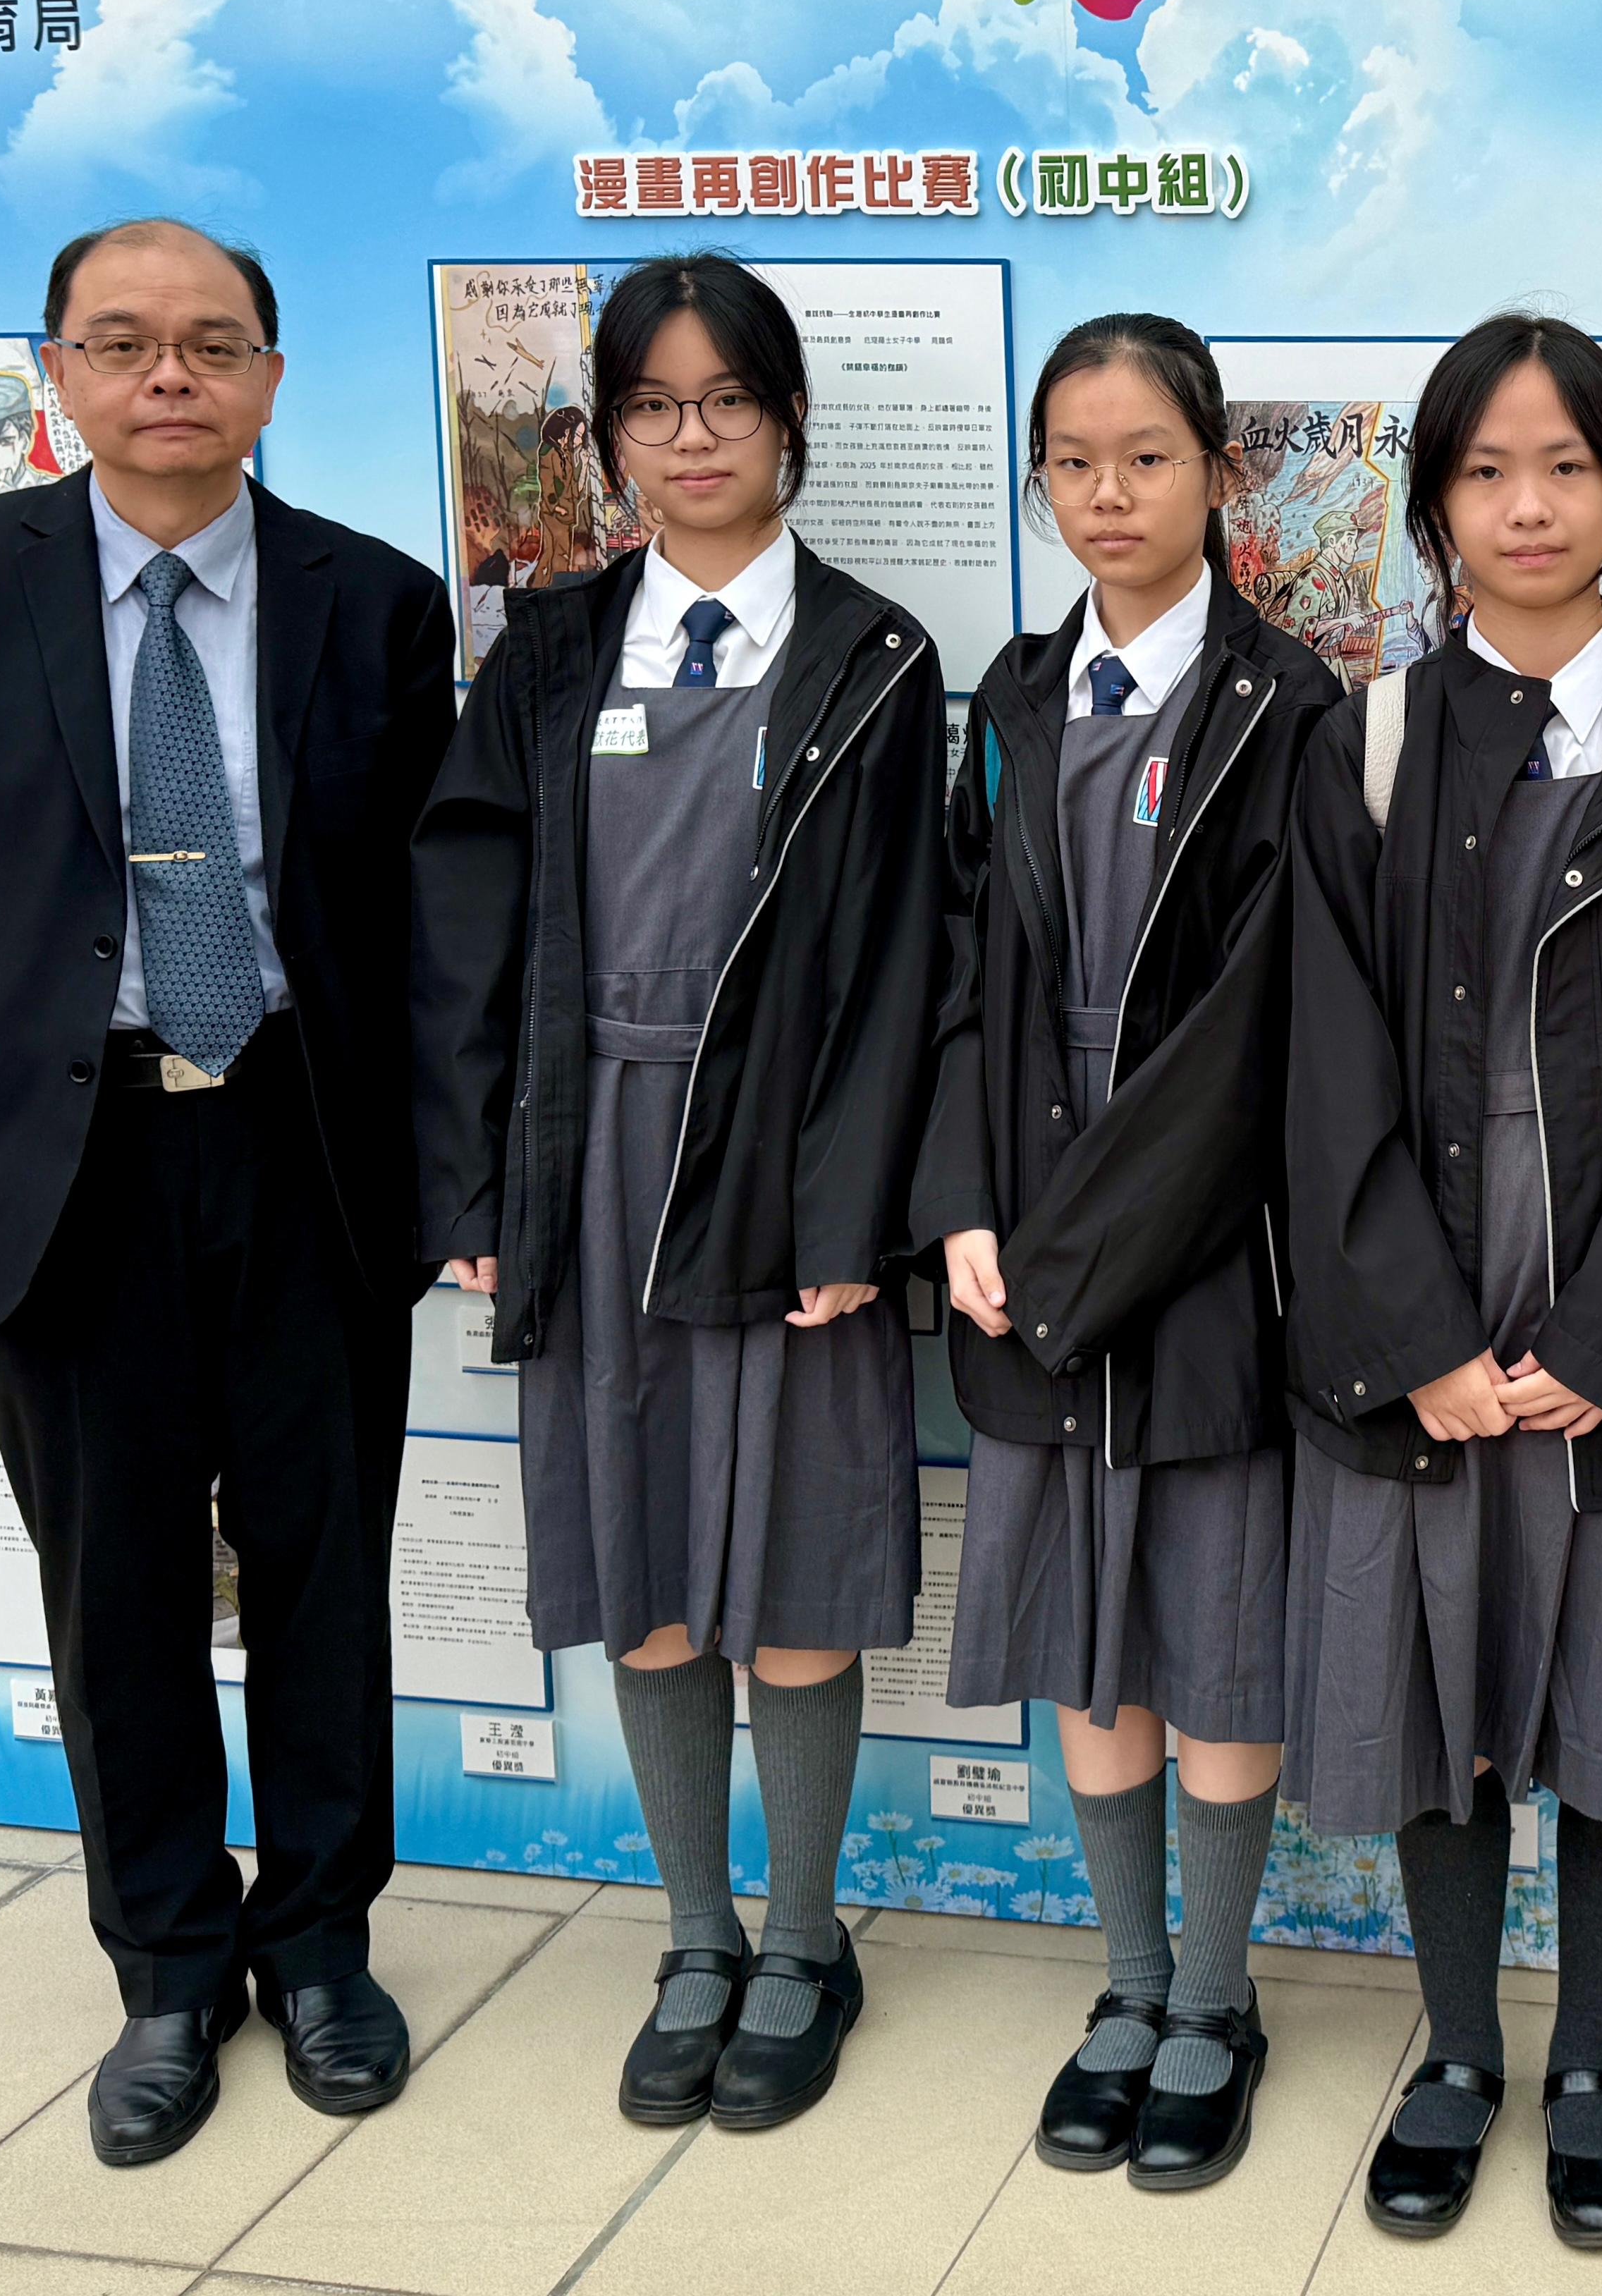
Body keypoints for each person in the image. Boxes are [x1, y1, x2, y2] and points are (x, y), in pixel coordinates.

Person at [0, 217, 455, 2165]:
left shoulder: (377, 601)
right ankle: (172, 1970)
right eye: (122, 342)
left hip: (305, 1151)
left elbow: (427, 936)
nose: (168, 374)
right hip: (65, 1162)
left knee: (322, 1573)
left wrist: (448, 1178)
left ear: (272, 375)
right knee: (113, 1595)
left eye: (211, 342)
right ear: (60, 372)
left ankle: (324, 1946)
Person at [412, 253, 948, 2135]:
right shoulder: (549, 651)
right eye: (654, 405)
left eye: (728, 400)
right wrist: (478, 1182)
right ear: (611, 437)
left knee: (797, 1567)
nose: (693, 437)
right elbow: (467, 929)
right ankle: (696, 1939)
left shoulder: (876, 657)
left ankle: (803, 1945)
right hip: (593, 1155)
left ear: (787, 422)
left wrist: (851, 1216)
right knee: (639, 1568)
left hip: (791, 1171)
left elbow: (906, 957)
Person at [1282, 314, 1602, 2252]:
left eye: (1565, 467)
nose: (1527, 506)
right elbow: (1320, 1061)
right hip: (1416, 1287)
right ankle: (1453, 2055)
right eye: (1486, 472)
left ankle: (1591, 2062)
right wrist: (1417, 1340)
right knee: (1439, 1693)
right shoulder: (1368, 742)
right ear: (1434, 505)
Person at [918, 312, 1339, 2190]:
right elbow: (958, 973)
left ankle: (1221, 2005)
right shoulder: (1012, 702)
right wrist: (964, 1204)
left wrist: (1080, 1259)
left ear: (1219, 475)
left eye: (1147, 457)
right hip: (1022, 1242)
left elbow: (1263, 1033)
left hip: (1210, 1255)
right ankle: (1132, 1985)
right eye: (1073, 463)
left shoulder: (1291, 709)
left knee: (1215, 1635)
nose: (1108, 494)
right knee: (1090, 1644)